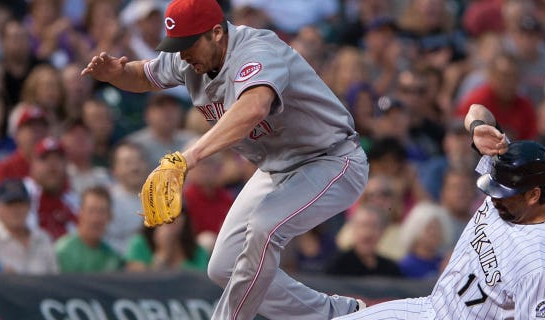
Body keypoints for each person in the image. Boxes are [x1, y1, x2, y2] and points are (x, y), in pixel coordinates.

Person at [81, 0, 369, 319]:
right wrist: (117, 75)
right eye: (177, 46)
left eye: (188, 44)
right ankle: (335, 313)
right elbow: (144, 75)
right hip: (277, 168)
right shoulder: (187, 57)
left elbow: (254, 107)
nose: (183, 54)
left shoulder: (257, 50)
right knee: (223, 267)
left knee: (264, 228)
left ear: (216, 33)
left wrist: (188, 158)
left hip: (332, 160)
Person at [334, 103, 545, 319]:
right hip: (429, 308)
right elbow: (476, 111)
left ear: (533, 195)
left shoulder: (541, 267)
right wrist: (477, 128)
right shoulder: (512, 171)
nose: (494, 199)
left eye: (503, 194)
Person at [54, 186, 123, 273]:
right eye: (91, 211)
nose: (96, 219)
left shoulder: (112, 257)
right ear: (80, 213)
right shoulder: (63, 251)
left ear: (110, 216)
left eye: (101, 212)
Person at [0, 179, 58, 274]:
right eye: (10, 205)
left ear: (29, 206)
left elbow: (56, 278)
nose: (16, 210)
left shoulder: (42, 238)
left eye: (20, 204)